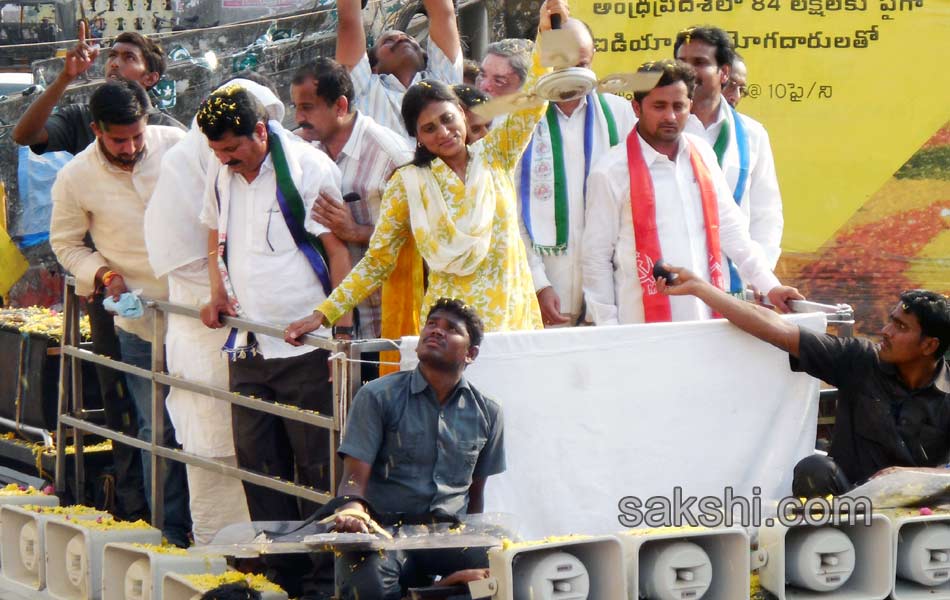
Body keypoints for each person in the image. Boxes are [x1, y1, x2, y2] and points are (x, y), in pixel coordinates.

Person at [285, 0, 572, 344]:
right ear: (417, 137)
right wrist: (324, 313)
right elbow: (377, 261)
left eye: (448, 119)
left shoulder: (496, 155)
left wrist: (550, 33)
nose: (443, 132)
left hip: (513, 321)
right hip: (449, 336)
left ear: (463, 117)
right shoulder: (410, 182)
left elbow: (535, 100)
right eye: (429, 128)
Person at [196, 84, 352, 596]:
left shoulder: (307, 168)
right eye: (218, 152)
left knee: (314, 466)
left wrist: (337, 326)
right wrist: (218, 291)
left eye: (232, 149)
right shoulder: (223, 174)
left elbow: (337, 247)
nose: (225, 159)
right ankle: (274, 569)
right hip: (249, 343)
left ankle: (320, 576)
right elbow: (213, 234)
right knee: (258, 462)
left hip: (307, 344)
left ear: (261, 131)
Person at [657, 266, 950, 497]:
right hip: (848, 512)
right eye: (890, 320)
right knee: (815, 469)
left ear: (929, 346)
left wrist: (911, 478)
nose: (885, 331)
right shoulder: (860, 360)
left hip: (920, 518)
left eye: (900, 326)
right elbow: (776, 328)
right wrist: (700, 288)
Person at [49, 79, 191, 546]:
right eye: (118, 140)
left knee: (208, 424)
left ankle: (211, 529)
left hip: (199, 314)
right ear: (95, 130)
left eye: (136, 136)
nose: (130, 147)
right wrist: (104, 273)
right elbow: (66, 244)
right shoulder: (75, 177)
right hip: (138, 318)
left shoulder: (178, 147)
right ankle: (167, 533)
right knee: (157, 428)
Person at [143, 78, 282, 545]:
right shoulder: (191, 173)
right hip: (203, 343)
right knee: (212, 461)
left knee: (258, 457)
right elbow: (192, 259)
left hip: (247, 350)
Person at [582, 59, 801, 325]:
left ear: (690, 107)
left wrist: (769, 286)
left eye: (679, 106)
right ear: (637, 108)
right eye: (659, 106)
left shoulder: (702, 154)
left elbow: (731, 229)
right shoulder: (610, 172)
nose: (670, 117)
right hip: (639, 325)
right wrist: (609, 329)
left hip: (707, 319)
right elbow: (596, 258)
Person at [331, 298, 504, 599]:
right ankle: (440, 587)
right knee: (368, 586)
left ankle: (442, 585)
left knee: (507, 566)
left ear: (471, 353)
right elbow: (353, 480)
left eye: (451, 329)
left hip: (449, 536)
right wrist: (352, 510)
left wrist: (476, 545)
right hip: (384, 532)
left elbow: (475, 500)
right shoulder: (377, 396)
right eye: (432, 324)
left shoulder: (488, 412)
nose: (436, 331)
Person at [517, 18, 637, 327]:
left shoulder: (620, 115)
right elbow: (512, 210)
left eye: (580, 63)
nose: (571, 75)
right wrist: (538, 282)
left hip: (611, 287)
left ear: (593, 56)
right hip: (546, 285)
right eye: (562, 63)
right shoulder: (521, 122)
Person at [290, 58, 413, 346]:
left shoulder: (391, 156)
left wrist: (356, 232)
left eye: (308, 107)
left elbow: (423, 239)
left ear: (341, 106)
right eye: (295, 107)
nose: (298, 117)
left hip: (386, 324)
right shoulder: (300, 148)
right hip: (326, 323)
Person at [675, 26, 783, 276]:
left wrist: (762, 276)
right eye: (681, 62)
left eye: (699, 62)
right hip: (675, 277)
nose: (688, 71)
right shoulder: (658, 131)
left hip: (734, 280)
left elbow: (765, 213)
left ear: (724, 72)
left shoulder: (751, 134)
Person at [334, 0, 462, 139]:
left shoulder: (442, 80)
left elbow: (443, 13)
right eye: (388, 41)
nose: (401, 38)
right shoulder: (363, 90)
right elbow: (348, 22)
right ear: (373, 67)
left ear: (424, 57)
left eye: (409, 38)